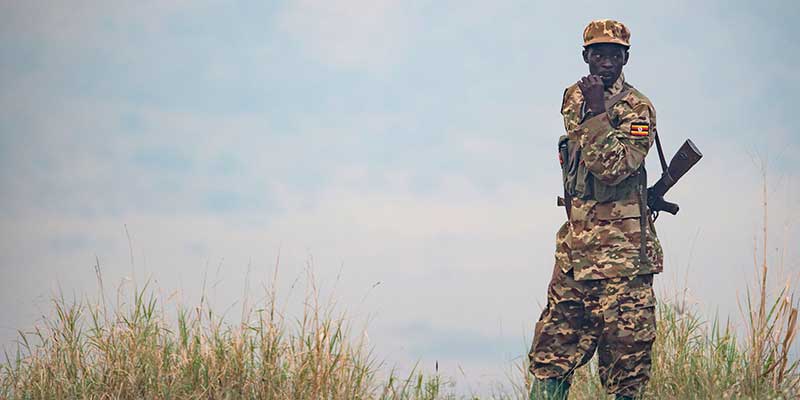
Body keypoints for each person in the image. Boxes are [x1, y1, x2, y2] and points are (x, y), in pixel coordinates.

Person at [527, 19, 664, 400]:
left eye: (614, 54)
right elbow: (587, 154)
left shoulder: (639, 108)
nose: (606, 61)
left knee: (626, 361)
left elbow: (614, 166)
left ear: (626, 58)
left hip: (624, 256)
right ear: (586, 57)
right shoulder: (575, 96)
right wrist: (594, 109)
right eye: (598, 53)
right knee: (553, 350)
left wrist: (599, 110)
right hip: (576, 253)